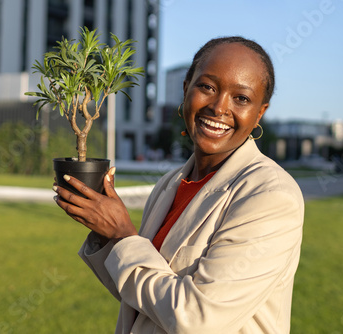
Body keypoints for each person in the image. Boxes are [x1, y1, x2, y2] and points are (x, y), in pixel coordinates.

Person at [53, 36, 304, 334]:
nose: (219, 107)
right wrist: (104, 230)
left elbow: (199, 320)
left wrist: (122, 234)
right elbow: (138, 295)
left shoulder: (270, 196)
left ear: (259, 113)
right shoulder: (169, 185)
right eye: (207, 87)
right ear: (186, 90)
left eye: (241, 98)